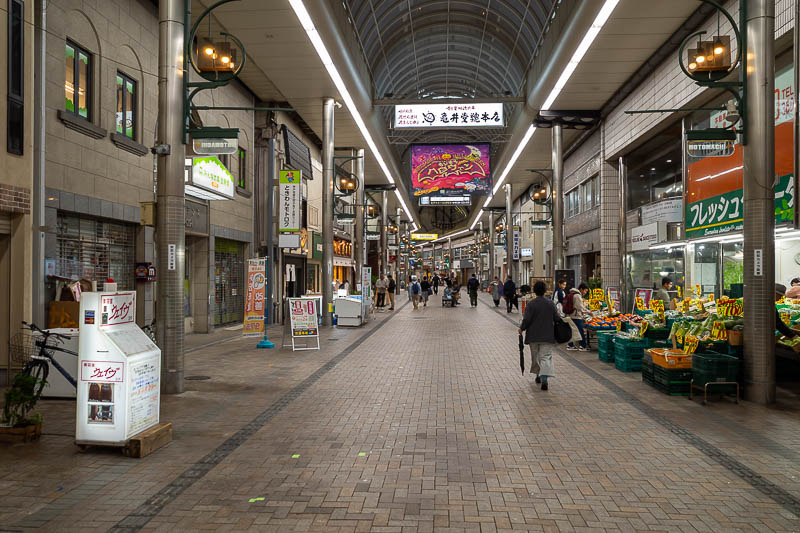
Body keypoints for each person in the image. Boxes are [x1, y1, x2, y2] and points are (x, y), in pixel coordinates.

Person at [518, 281, 562, 391]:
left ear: (535, 291)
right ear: (545, 291)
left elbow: (526, 319)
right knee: (545, 357)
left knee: (535, 356)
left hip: (533, 336)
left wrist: (521, 328)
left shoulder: (531, 304)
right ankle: (544, 378)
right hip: (547, 335)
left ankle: (538, 375)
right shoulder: (551, 303)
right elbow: (557, 318)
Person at [566, 282, 589, 351]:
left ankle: (570, 345)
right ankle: (583, 346)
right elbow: (580, 307)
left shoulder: (572, 293)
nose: (585, 292)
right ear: (581, 289)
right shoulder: (577, 295)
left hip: (571, 315)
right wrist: (588, 312)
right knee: (580, 331)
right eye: (585, 290)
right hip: (576, 316)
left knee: (572, 331)